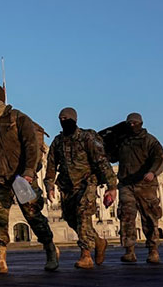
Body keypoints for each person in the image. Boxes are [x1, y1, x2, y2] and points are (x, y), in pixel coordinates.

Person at [0, 85, 58, 274]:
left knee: (33, 216)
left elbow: (31, 146)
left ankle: (51, 250)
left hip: (21, 177)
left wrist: (29, 171)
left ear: (1, 99)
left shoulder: (18, 118)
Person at [45, 108, 118, 269]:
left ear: (74, 119)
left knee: (83, 215)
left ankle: (86, 255)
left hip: (87, 183)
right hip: (67, 186)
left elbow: (102, 162)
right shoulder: (58, 141)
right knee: (72, 219)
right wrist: (49, 185)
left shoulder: (87, 137)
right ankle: (99, 242)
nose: (63, 121)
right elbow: (51, 165)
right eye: (60, 118)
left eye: (66, 118)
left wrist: (112, 186)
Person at [116, 113, 163, 264]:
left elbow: (159, 158)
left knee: (149, 217)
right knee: (126, 217)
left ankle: (153, 250)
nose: (132, 125)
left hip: (145, 184)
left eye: (135, 122)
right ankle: (129, 250)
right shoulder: (123, 141)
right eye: (129, 123)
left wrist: (153, 171)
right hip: (126, 183)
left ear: (141, 123)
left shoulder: (150, 140)